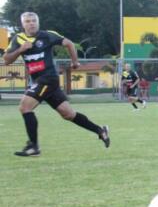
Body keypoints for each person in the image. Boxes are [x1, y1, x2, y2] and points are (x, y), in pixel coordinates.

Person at [3, 12, 110, 156]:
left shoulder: (47, 35)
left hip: (48, 78)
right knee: (68, 114)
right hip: (40, 81)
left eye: (34, 20)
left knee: (24, 107)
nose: (31, 23)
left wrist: (75, 62)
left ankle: (33, 147)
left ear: (38, 22)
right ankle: (100, 131)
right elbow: (7, 60)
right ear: (23, 24)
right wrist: (21, 50)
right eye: (28, 21)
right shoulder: (18, 39)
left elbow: (69, 43)